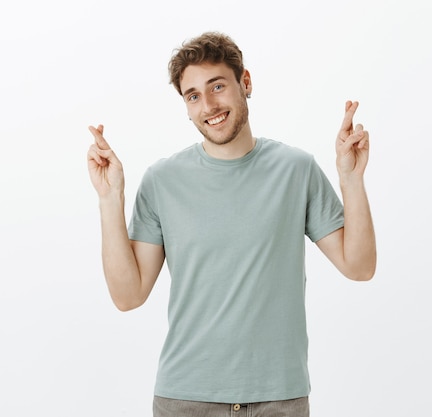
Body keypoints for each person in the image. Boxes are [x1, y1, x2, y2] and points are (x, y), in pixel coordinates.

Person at [86, 31, 376, 417]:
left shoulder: (296, 169)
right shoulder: (162, 181)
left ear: (246, 82)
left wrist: (351, 180)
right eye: (193, 96)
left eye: (217, 86)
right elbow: (128, 296)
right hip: (186, 398)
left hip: (279, 398)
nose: (208, 105)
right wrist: (110, 199)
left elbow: (359, 267)